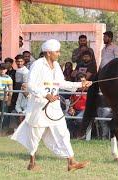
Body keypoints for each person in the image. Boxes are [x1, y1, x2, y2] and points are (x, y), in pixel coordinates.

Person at [11, 39, 92, 171]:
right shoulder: (37, 65)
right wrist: (45, 94)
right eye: (57, 51)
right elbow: (30, 85)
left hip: (54, 107)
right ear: (48, 53)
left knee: (63, 132)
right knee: (35, 135)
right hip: (39, 106)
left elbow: (62, 83)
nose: (59, 54)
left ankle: (71, 162)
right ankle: (32, 162)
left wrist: (80, 84)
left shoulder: (57, 67)